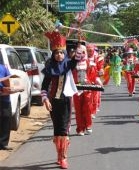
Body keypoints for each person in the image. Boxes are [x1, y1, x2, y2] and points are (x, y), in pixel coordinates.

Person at [42, 30, 79, 169]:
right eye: (57, 52)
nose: (59, 55)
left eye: (62, 53)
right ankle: (59, 154)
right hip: (53, 103)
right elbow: (44, 87)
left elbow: (77, 58)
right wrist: (45, 100)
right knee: (57, 130)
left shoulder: (68, 64)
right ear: (53, 54)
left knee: (64, 130)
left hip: (66, 102)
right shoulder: (49, 67)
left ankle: (63, 157)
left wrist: (80, 42)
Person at [0, 64, 13, 151]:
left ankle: (3, 143)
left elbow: (9, 79)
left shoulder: (3, 67)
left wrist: (9, 88)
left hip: (4, 98)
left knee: (6, 118)